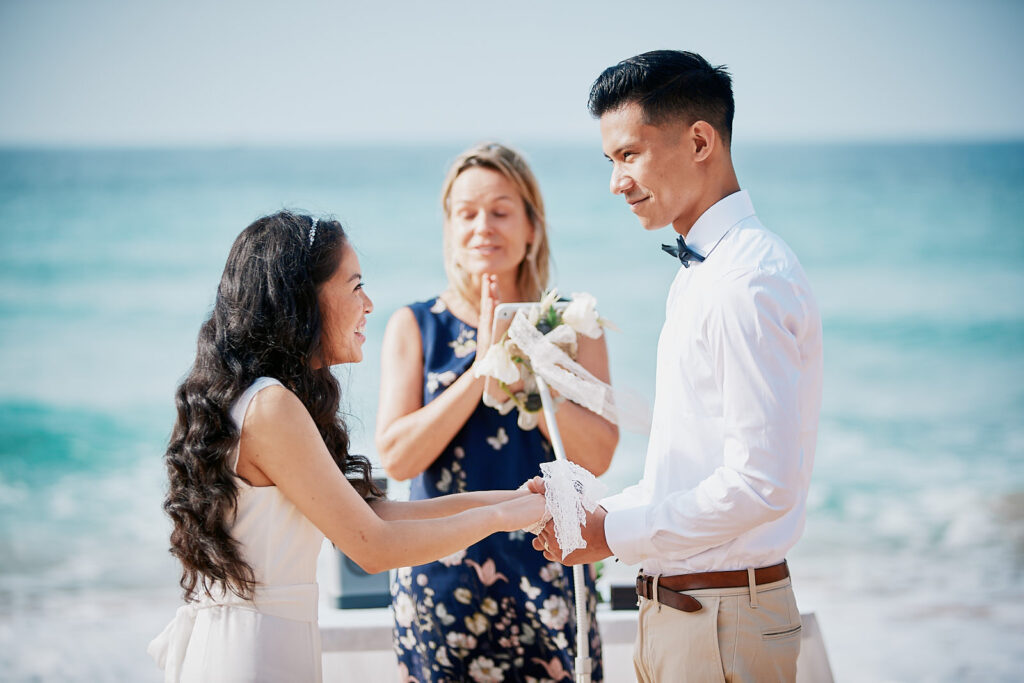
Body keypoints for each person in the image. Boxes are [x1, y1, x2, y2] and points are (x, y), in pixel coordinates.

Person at [148, 211, 546, 683]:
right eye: (355, 286)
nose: (370, 303)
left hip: (260, 639)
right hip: (254, 654)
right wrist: (503, 520)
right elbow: (373, 548)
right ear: (303, 297)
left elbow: (372, 515)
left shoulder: (259, 398)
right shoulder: (271, 406)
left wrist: (518, 501)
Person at [533, 51, 824, 682]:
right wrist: (597, 514)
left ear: (699, 141)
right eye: (610, 162)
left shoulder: (742, 282)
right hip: (691, 616)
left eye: (629, 155)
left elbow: (759, 484)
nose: (617, 182)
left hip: (721, 624)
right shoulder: (705, 274)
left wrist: (613, 531)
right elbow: (694, 468)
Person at [376, 142, 618, 681]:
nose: (483, 226)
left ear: (532, 227)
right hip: (440, 578)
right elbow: (397, 458)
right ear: (450, 229)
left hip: (552, 568)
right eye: (467, 213)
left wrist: (533, 371)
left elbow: (598, 457)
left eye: (501, 211)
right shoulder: (415, 325)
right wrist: (485, 368)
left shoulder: (575, 327)